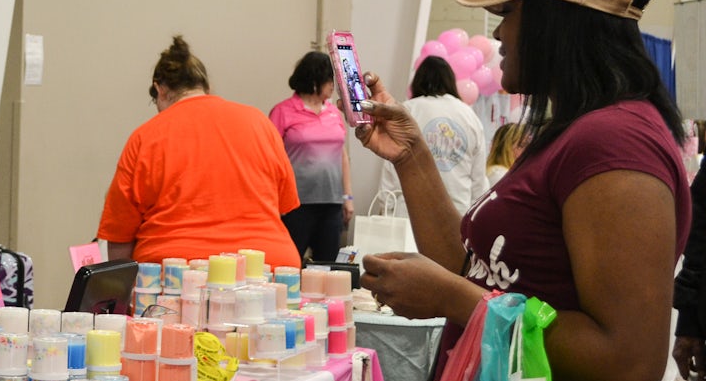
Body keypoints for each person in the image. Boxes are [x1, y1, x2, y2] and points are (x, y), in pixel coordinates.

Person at [357, 0, 689, 381]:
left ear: (556, 23)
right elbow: (472, 269)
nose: (499, 32)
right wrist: (412, 156)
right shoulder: (576, 131)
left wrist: (450, 299)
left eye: (510, 12)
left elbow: (629, 360)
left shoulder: (614, 142)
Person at [97, 35, 302, 268]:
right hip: (266, 268)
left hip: (176, 273)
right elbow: (285, 204)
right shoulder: (258, 122)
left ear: (160, 90)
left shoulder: (145, 137)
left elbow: (119, 235)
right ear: (206, 87)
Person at [374, 55, 487, 218]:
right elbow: (478, 178)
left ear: (418, 81)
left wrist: (386, 208)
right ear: (450, 81)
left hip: (411, 214)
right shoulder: (469, 115)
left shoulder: (407, 111)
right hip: (457, 212)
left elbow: (391, 167)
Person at [268, 51, 353, 261]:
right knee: (289, 263)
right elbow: (271, 158)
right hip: (297, 204)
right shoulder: (283, 112)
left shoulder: (334, 112)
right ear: (314, 79)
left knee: (327, 268)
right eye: (329, 79)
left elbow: (342, 155)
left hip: (331, 202)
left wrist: (347, 197)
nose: (333, 85)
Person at [484, 121, 525, 187]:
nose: (526, 150)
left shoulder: (500, 172)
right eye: (521, 145)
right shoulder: (500, 175)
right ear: (506, 148)